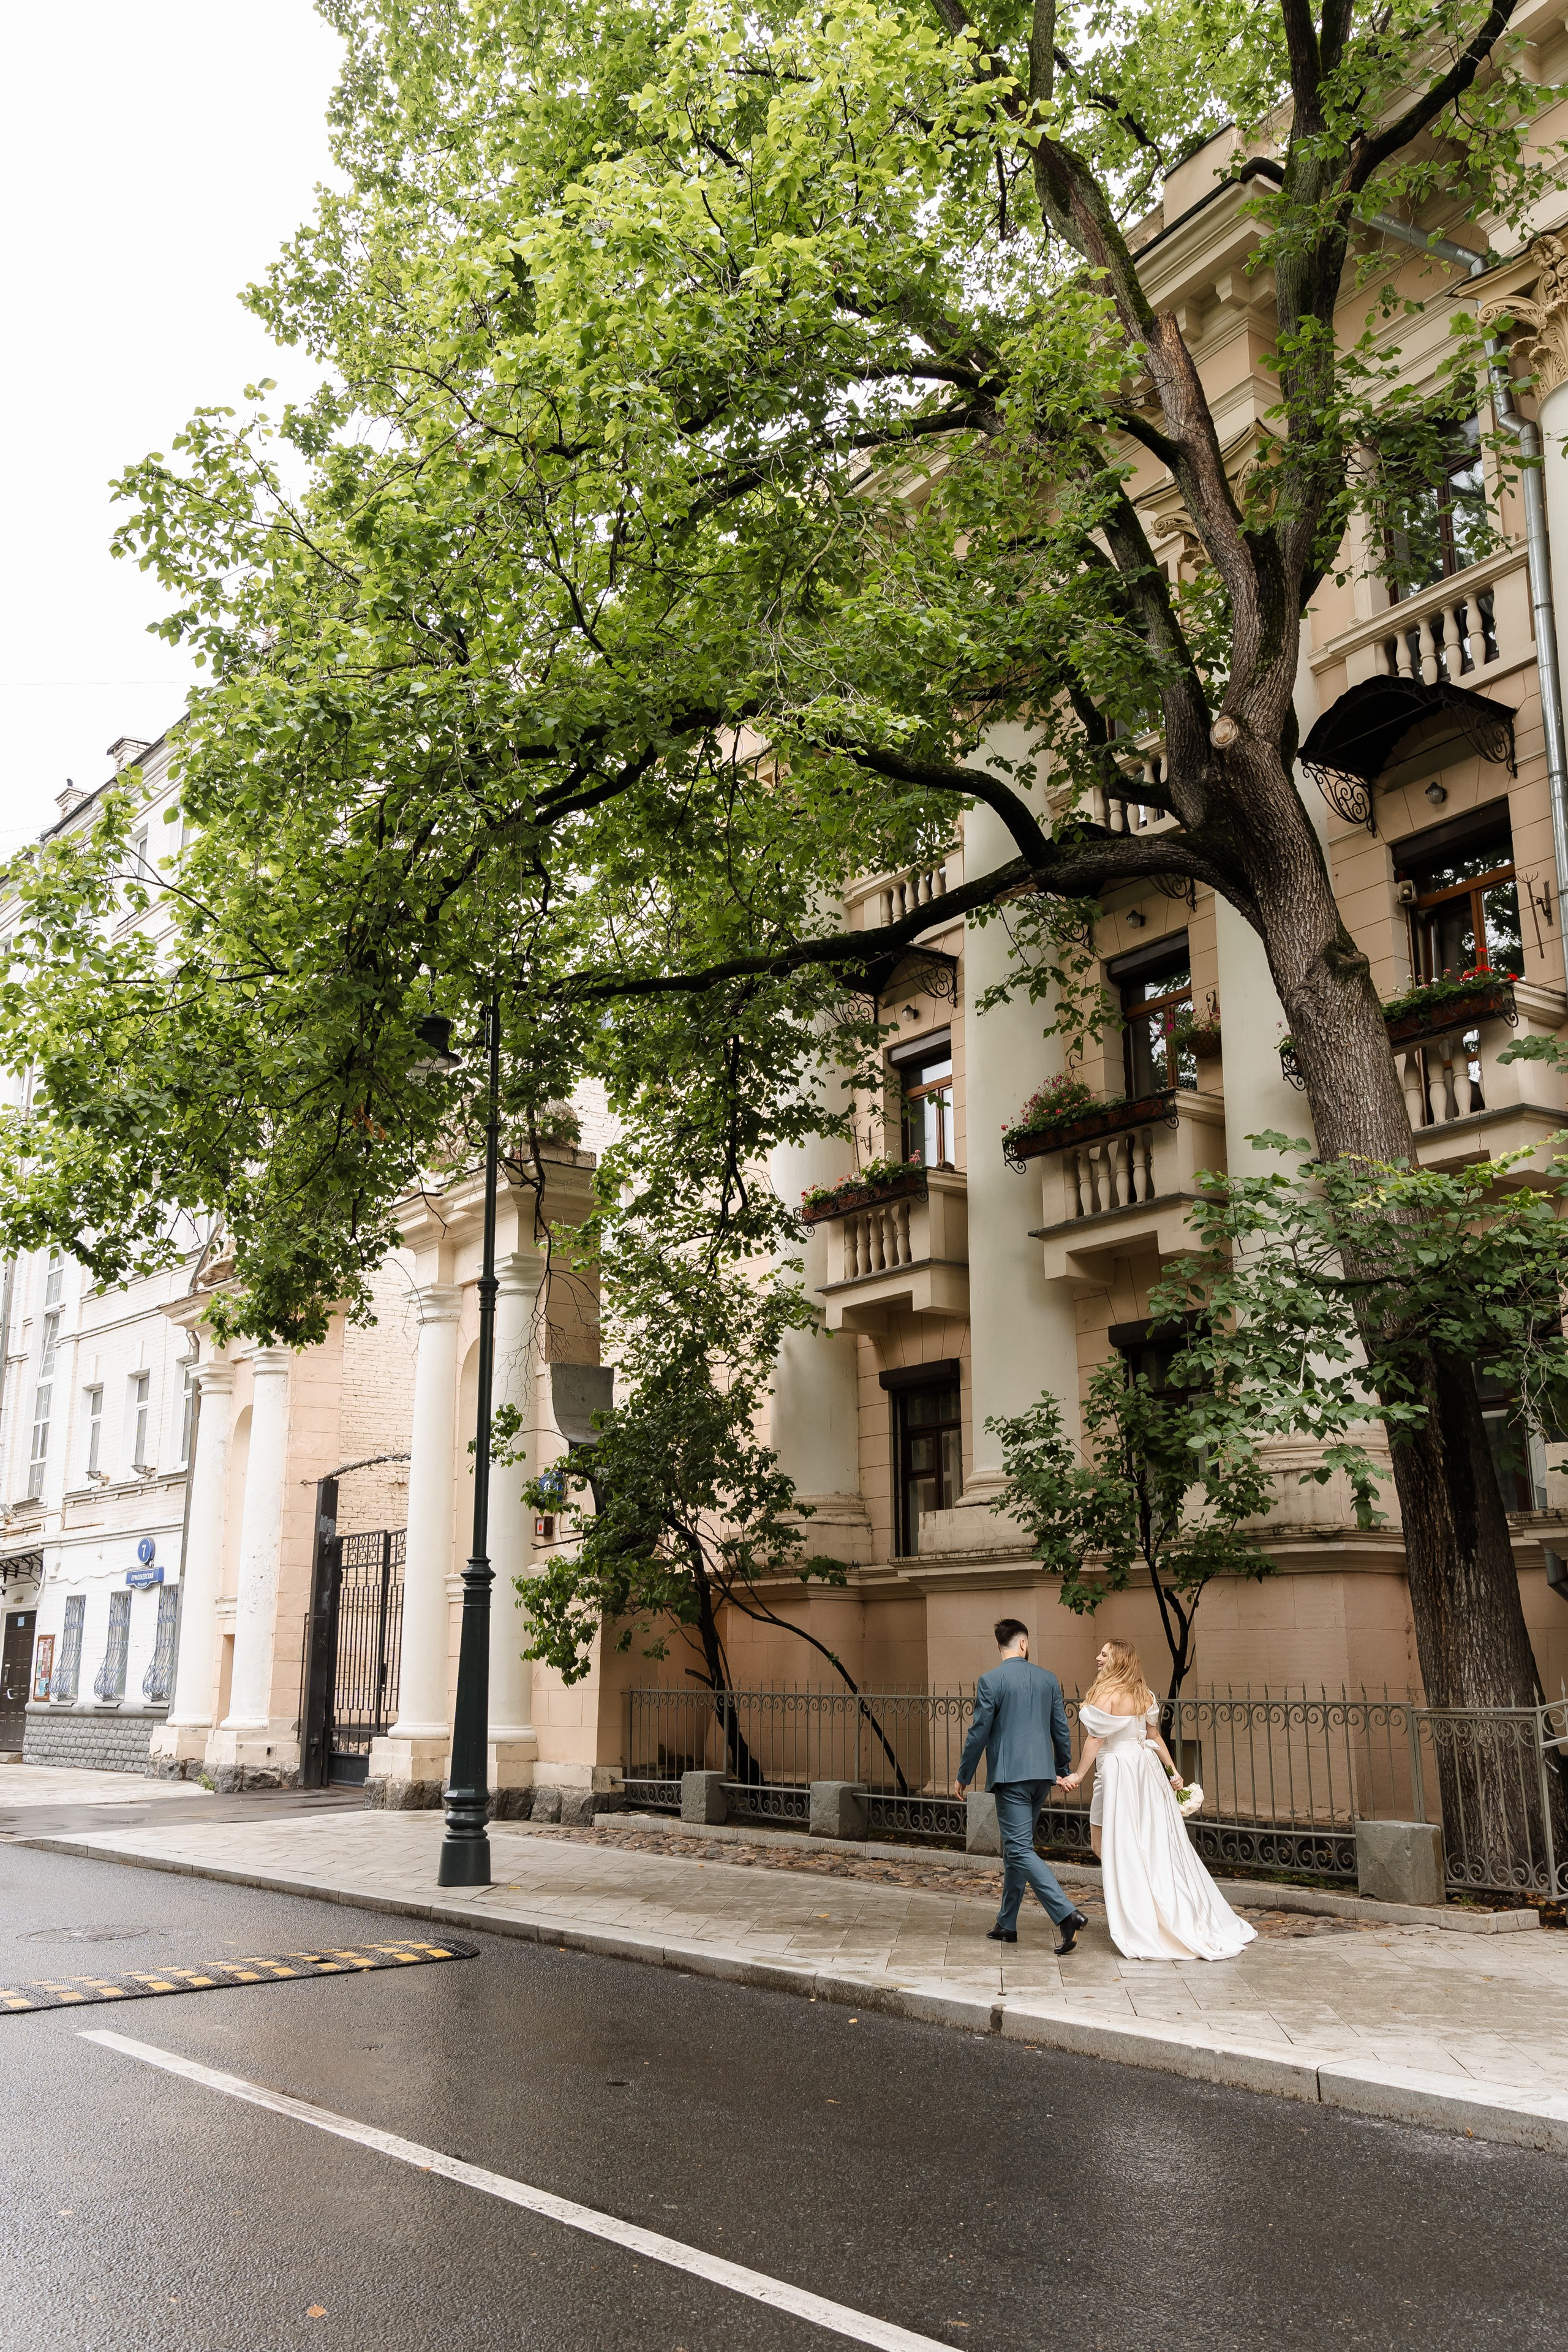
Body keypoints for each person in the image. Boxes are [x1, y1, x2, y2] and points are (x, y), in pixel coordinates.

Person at [1058, 1638, 1256, 1962]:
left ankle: (1142, 1909)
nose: (1098, 1657)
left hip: (1119, 1771)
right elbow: (1152, 1736)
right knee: (1139, 1843)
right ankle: (1144, 1901)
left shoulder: (1108, 1695)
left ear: (1118, 1660)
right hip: (1144, 1769)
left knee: (1116, 1844)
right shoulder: (1144, 1695)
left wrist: (1078, 1775)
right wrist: (1173, 1770)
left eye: (1104, 1654)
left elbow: (1096, 1739)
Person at [954, 1618, 1089, 1956]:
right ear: (1023, 1644)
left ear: (1000, 1646)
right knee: (1019, 1846)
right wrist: (1062, 1768)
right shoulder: (1048, 1679)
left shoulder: (991, 1680)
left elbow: (978, 1732)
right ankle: (1006, 1923)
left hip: (1010, 1776)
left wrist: (964, 1774)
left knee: (1017, 1848)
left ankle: (1065, 1914)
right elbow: (1061, 1728)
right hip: (1042, 1777)